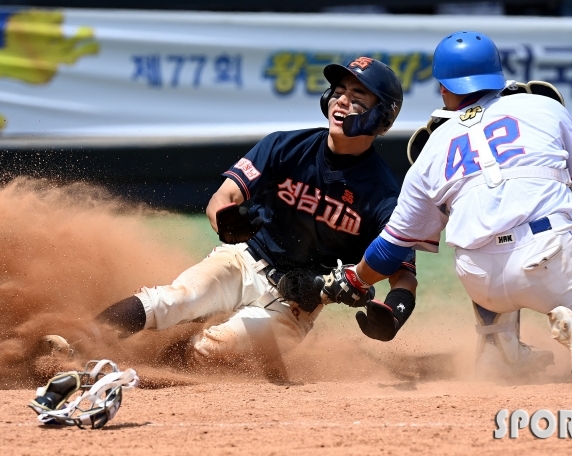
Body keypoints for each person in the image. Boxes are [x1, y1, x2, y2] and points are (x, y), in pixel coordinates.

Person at [320, 32, 572, 390]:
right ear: (496, 74)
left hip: (480, 280)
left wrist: (354, 279)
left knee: (482, 237)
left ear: (444, 87)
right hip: (548, 259)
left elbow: (390, 249)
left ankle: (498, 348)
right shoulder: (544, 106)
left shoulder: (431, 150)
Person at [47, 57, 417, 368]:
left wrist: (395, 314)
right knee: (175, 298)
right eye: (338, 92)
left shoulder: (384, 194)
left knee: (213, 350)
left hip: (297, 305)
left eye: (357, 96)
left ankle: (144, 366)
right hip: (246, 260)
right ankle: (75, 346)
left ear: (382, 116)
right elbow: (222, 198)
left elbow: (404, 277)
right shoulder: (285, 146)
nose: (341, 101)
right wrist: (227, 219)